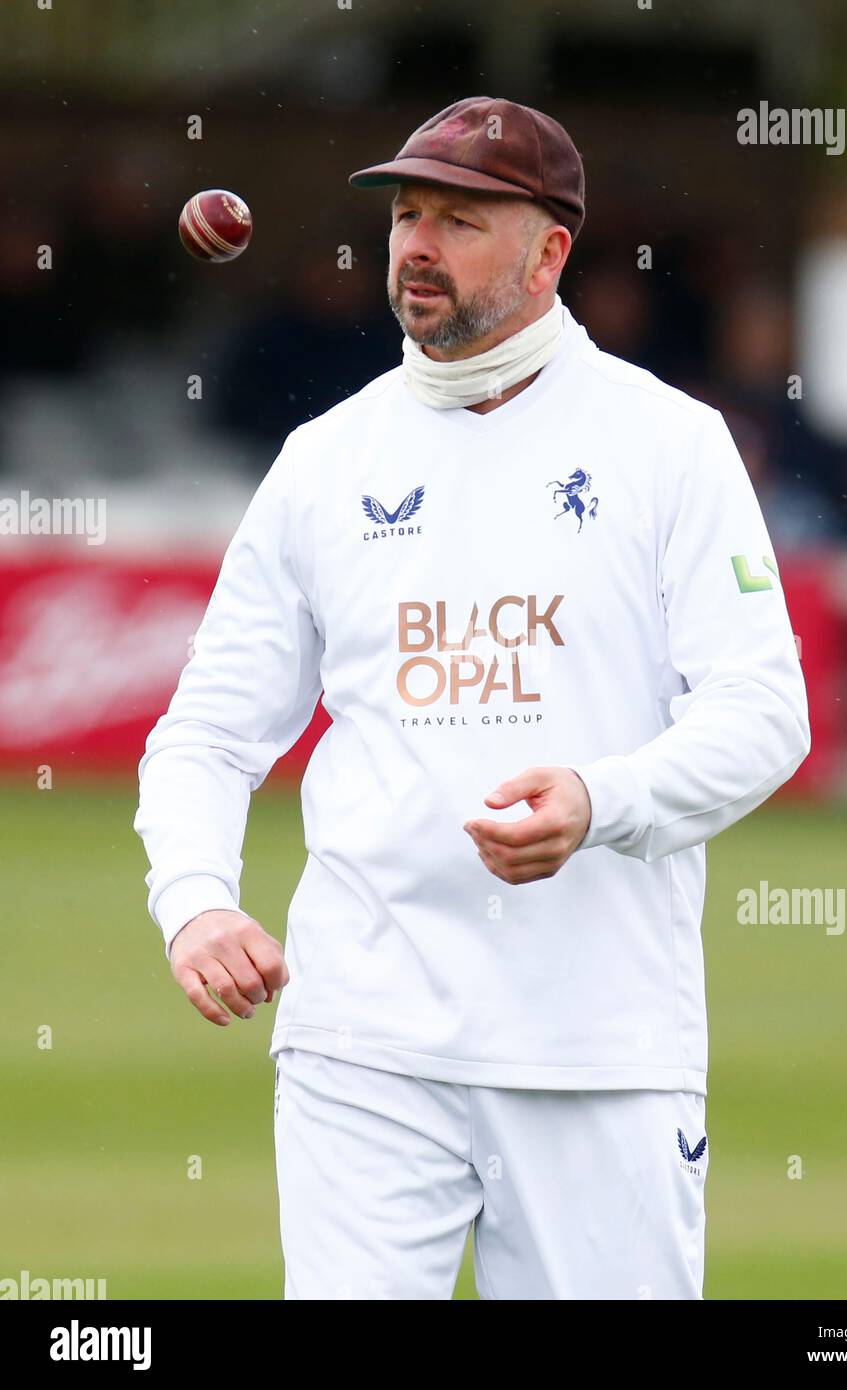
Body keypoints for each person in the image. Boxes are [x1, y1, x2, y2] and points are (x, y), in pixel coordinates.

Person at [134, 95, 811, 1300]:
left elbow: (764, 713)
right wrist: (195, 901)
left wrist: (602, 799)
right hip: (362, 1040)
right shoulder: (324, 461)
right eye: (404, 216)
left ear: (550, 250)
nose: (415, 248)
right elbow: (208, 729)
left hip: (596, 1049)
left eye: (458, 218)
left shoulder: (668, 444)